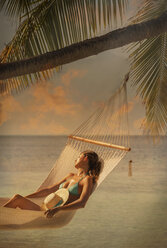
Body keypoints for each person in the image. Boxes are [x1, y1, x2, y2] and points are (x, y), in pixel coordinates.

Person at [3, 150, 101, 218]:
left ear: (85, 158)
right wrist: (27, 197)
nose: (75, 159)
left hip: (52, 214)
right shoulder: (70, 175)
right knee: (17, 198)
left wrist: (58, 209)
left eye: (79, 157)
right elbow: (49, 190)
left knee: (16, 199)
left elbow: (82, 202)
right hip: (45, 209)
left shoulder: (87, 180)